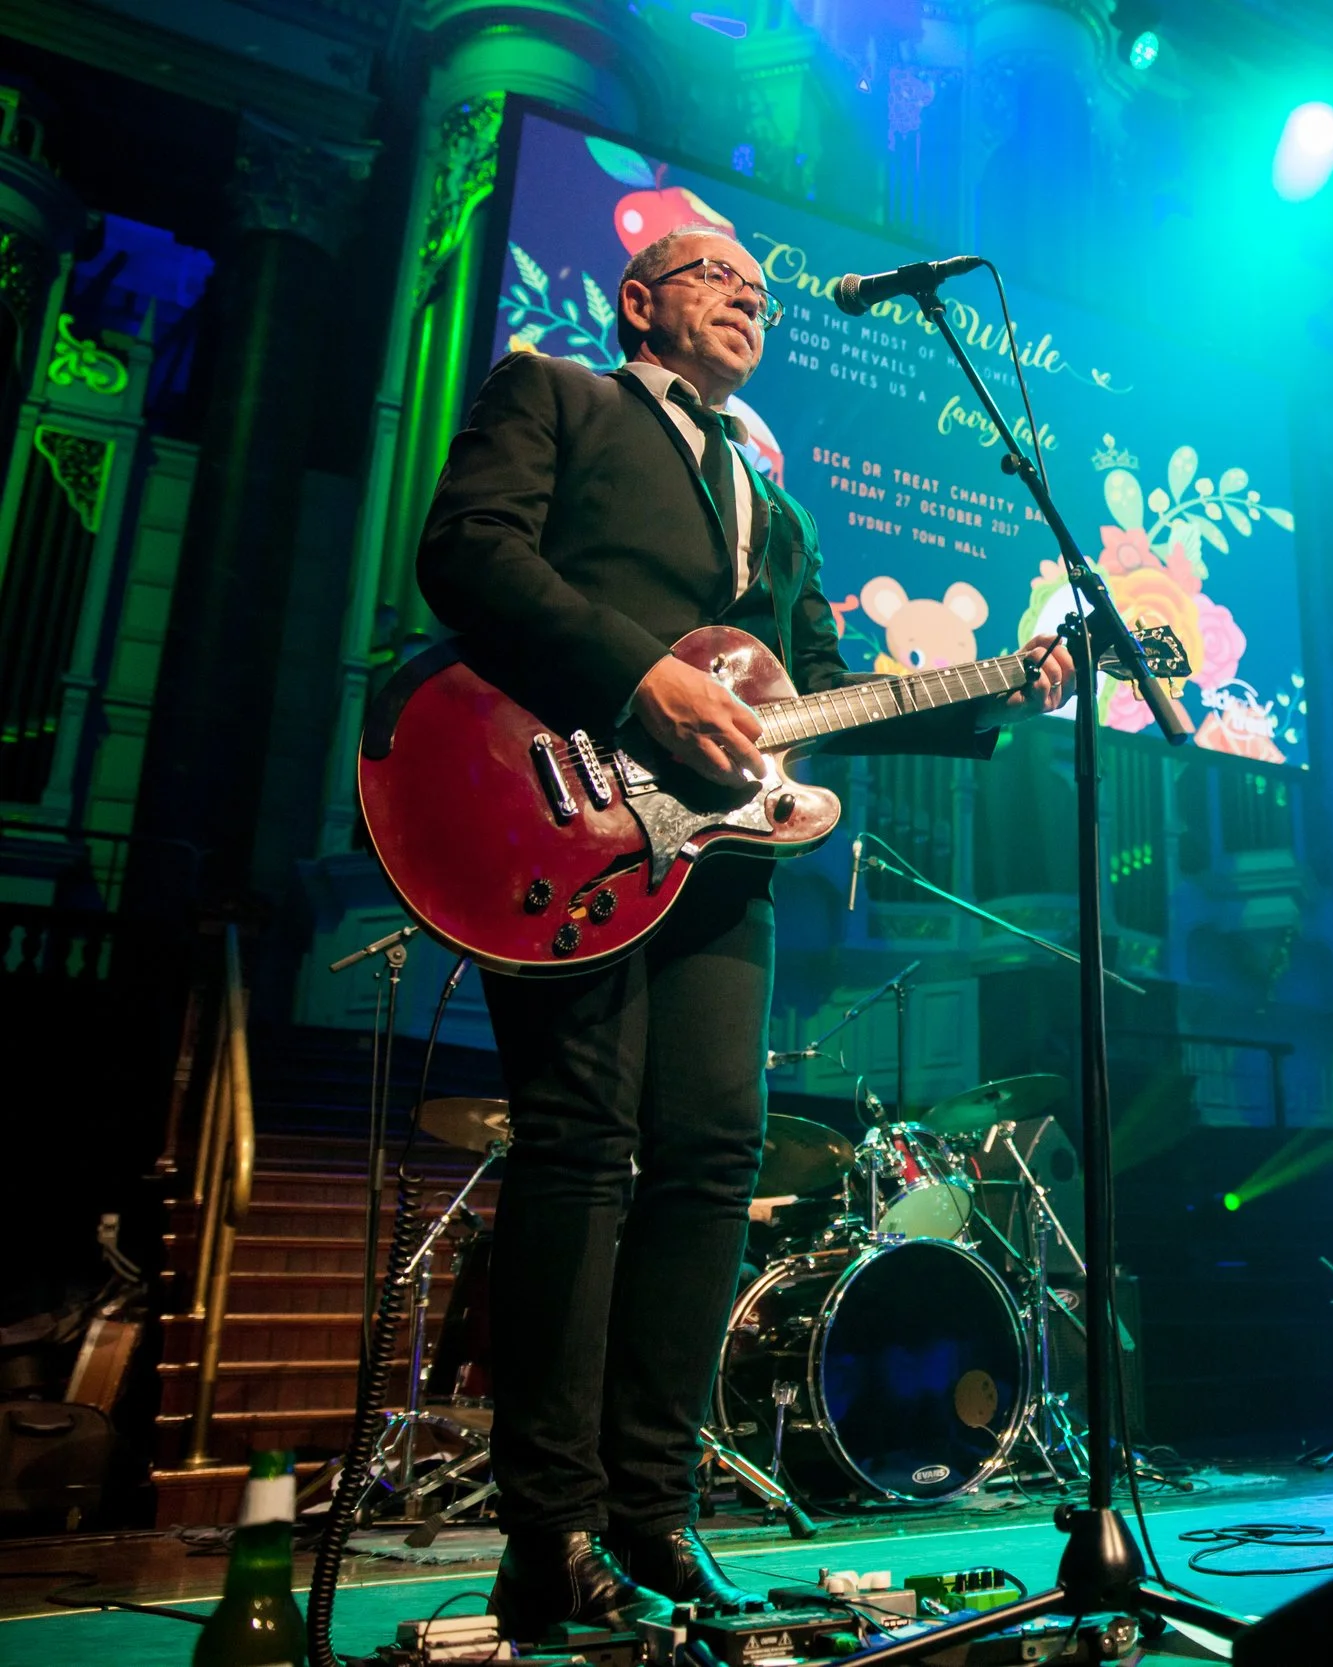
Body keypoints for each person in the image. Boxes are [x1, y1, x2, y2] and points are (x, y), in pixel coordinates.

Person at [417, 227, 1075, 1639]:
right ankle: (548, 1532)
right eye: (718, 272)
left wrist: (1009, 683)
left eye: (761, 289)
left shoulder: (775, 508)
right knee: (583, 1146)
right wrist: (640, 674)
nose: (750, 294)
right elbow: (465, 549)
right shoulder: (554, 392)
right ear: (639, 300)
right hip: (566, 822)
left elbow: (827, 691)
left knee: (711, 1162)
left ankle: (652, 1515)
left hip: (712, 868)